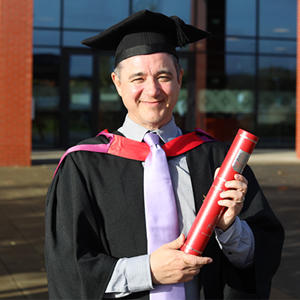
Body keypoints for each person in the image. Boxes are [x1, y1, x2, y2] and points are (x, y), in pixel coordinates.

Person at [45, 10, 284, 300]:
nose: (153, 90)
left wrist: (230, 228)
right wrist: (149, 271)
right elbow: (69, 270)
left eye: (163, 76)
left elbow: (257, 261)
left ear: (180, 79)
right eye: (138, 78)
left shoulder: (218, 161)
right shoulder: (82, 165)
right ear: (117, 83)